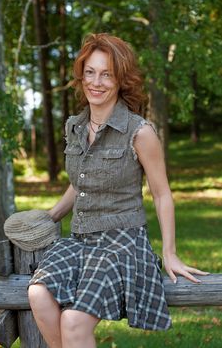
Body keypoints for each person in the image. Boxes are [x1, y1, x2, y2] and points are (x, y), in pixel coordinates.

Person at [28, 33, 208, 348]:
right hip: (81, 243)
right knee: (38, 294)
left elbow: (162, 193)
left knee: (73, 321)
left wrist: (170, 253)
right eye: (90, 72)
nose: (96, 82)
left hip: (122, 246)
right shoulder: (76, 127)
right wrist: (50, 215)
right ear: (81, 76)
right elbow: (80, 182)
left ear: (121, 79)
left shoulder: (140, 132)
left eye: (107, 74)